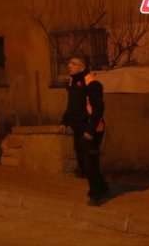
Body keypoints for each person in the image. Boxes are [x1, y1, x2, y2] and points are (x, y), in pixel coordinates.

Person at [60, 54, 109, 206]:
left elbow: (98, 108)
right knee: (83, 163)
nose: (70, 66)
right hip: (78, 128)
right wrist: (64, 121)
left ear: (82, 66)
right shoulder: (71, 83)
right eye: (69, 63)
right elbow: (72, 106)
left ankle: (96, 195)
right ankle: (102, 186)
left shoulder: (92, 84)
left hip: (91, 129)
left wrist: (90, 129)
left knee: (90, 163)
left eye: (74, 63)